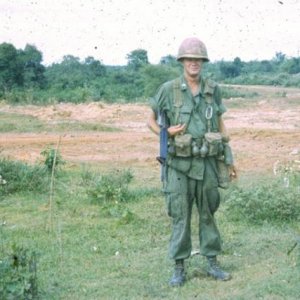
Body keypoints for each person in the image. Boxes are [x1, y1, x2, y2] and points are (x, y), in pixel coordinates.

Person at [147, 37, 237, 287]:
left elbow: (220, 122)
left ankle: (212, 263)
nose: (194, 63)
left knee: (208, 212)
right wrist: (166, 133)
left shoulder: (212, 88)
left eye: (198, 59)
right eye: (189, 59)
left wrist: (228, 156)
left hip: (207, 161)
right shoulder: (169, 89)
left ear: (203, 62)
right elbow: (150, 120)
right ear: (182, 61)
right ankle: (179, 267)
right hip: (179, 165)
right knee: (180, 214)